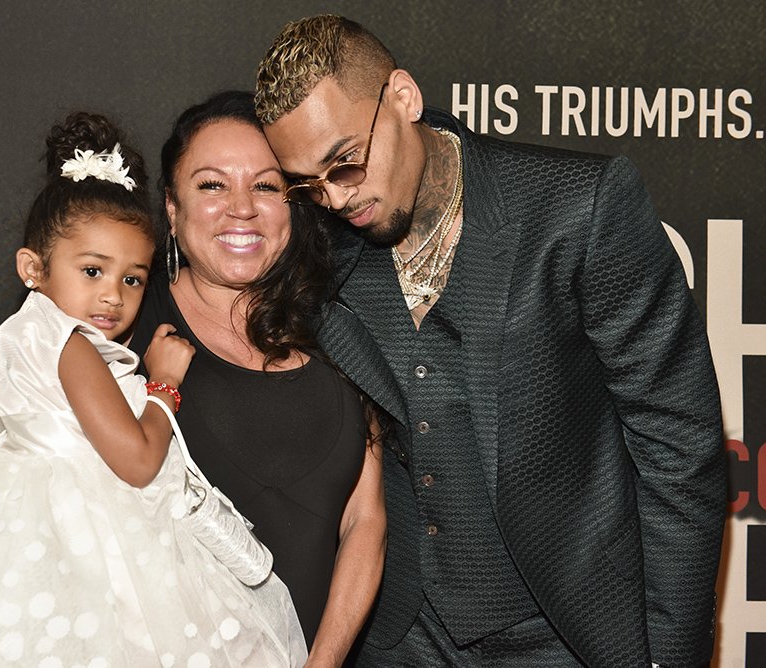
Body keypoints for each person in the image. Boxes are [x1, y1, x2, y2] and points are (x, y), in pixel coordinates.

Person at [254, 14, 726, 668]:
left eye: (346, 163)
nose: (336, 199)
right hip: (402, 636)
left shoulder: (578, 208)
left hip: (569, 632)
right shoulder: (326, 255)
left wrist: (669, 656)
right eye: (310, 184)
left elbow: (679, 444)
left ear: (403, 98)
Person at [0, 112, 308, 667]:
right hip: (79, 538)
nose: (113, 296)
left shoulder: (33, 332)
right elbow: (137, 460)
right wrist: (164, 385)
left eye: (131, 278)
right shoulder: (69, 344)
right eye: (92, 271)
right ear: (34, 268)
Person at [127, 91, 386, 666]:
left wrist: (322, 662)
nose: (241, 208)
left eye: (266, 186)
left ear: (294, 205)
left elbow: (365, 521)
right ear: (171, 208)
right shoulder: (126, 334)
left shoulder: (342, 333)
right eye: (212, 185)